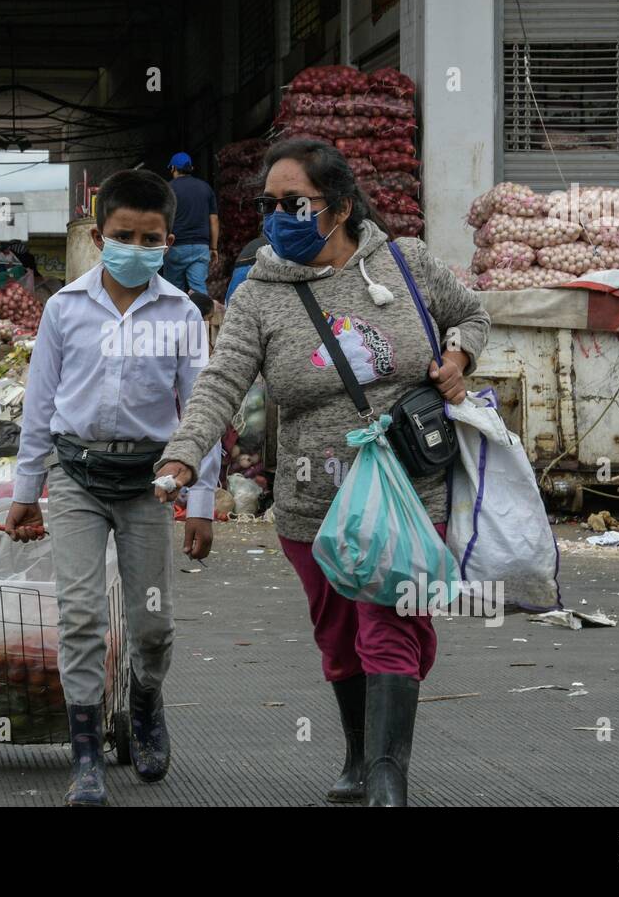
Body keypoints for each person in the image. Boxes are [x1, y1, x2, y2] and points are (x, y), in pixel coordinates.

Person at [154, 139, 490, 807]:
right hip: (315, 499)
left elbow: (472, 315)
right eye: (268, 204)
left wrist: (459, 359)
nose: (277, 216)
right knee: (339, 637)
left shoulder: (408, 262)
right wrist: (185, 453)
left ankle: (389, 776)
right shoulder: (257, 294)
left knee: (389, 621)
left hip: (410, 485)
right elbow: (222, 380)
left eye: (294, 203)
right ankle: (361, 753)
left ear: (337, 206)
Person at [4, 168, 220, 807]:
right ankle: (86, 755)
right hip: (76, 479)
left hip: (151, 484)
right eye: (123, 235)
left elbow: (200, 412)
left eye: (150, 239)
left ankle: (146, 701)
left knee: (152, 623)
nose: (137, 247)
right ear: (99, 237)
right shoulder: (64, 308)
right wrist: (25, 490)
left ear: (166, 241)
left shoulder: (182, 314)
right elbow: (39, 405)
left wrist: (199, 503)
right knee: (80, 616)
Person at [159, 151, 218, 294]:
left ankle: (175, 316)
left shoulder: (168, 189)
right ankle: (203, 315)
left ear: (173, 168)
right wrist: (214, 247)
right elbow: (214, 220)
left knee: (174, 292)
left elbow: (160, 219)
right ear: (191, 168)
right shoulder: (206, 188)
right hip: (200, 247)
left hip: (175, 247)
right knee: (199, 290)